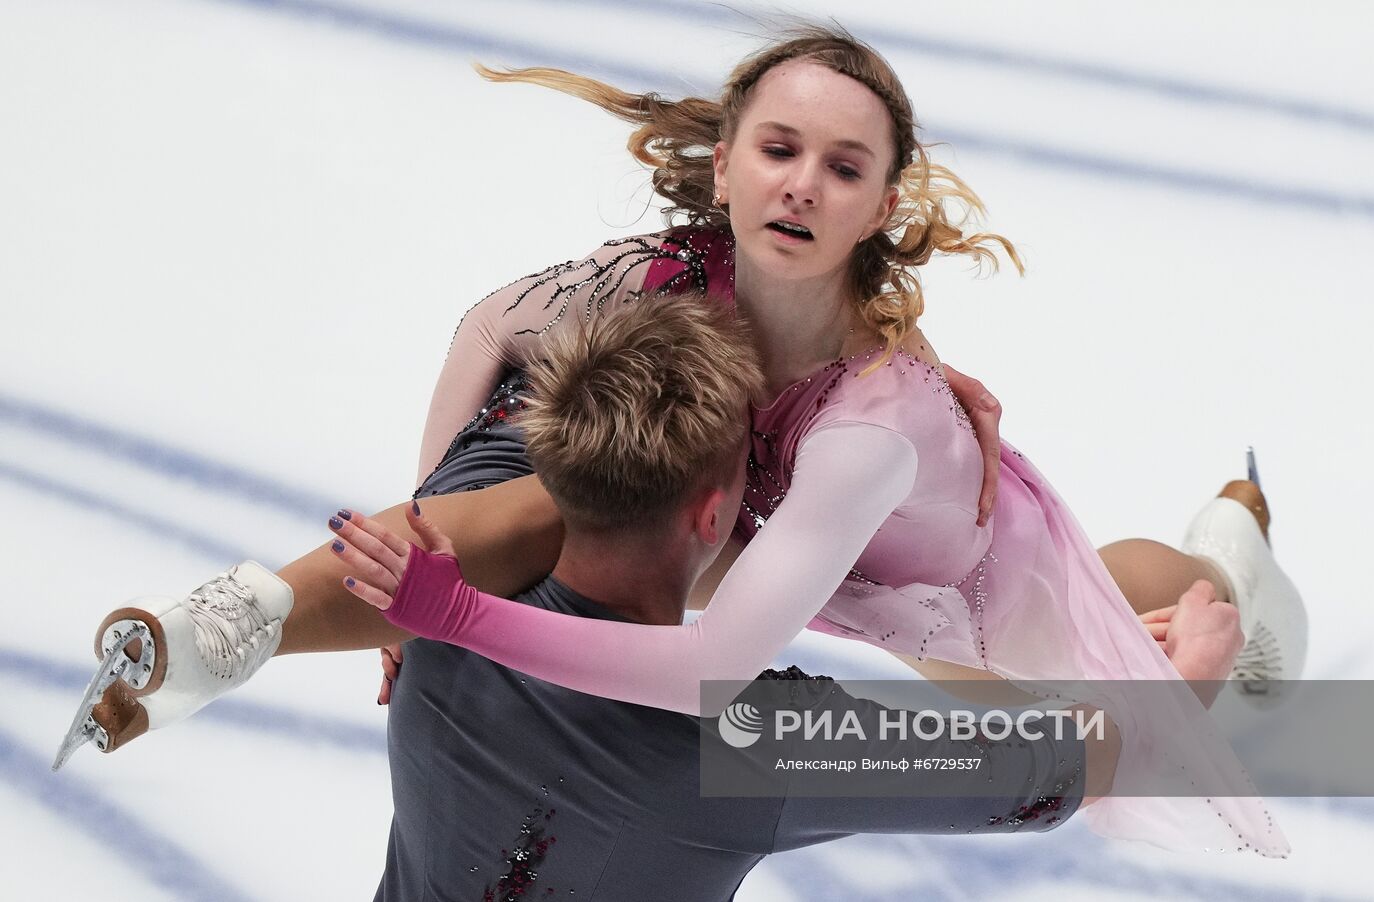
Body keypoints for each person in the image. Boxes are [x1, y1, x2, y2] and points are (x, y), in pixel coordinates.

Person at [61, 25, 1299, 858]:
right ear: (723, 169)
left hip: (949, 594)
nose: (800, 184)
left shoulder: (869, 427)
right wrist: (403, 598)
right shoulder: (662, 277)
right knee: (547, 492)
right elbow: (487, 331)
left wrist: (454, 613)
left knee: (1128, 642)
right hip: (771, 543)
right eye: (778, 150)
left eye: (841, 167)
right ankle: (239, 618)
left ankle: (1231, 559)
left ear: (880, 205)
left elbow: (715, 665)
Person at [344, 292, 1116, 901]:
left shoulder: (433, 616)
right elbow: (1063, 771)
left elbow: (496, 329)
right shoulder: (757, 743)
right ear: (713, 516)